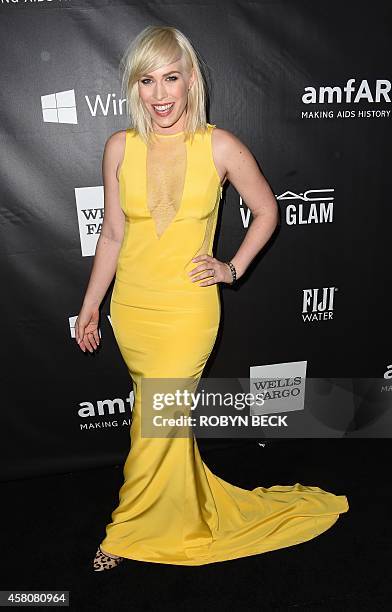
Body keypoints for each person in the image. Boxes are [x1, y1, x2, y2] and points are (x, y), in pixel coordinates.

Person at [75, 25, 349, 571]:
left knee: (157, 420)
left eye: (171, 78)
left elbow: (268, 210)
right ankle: (181, 509)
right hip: (132, 310)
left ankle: (125, 534)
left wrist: (231, 268)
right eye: (147, 81)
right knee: (162, 425)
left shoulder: (219, 145)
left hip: (186, 313)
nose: (160, 95)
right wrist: (89, 307)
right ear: (136, 87)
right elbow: (110, 235)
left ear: (191, 79)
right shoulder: (119, 147)